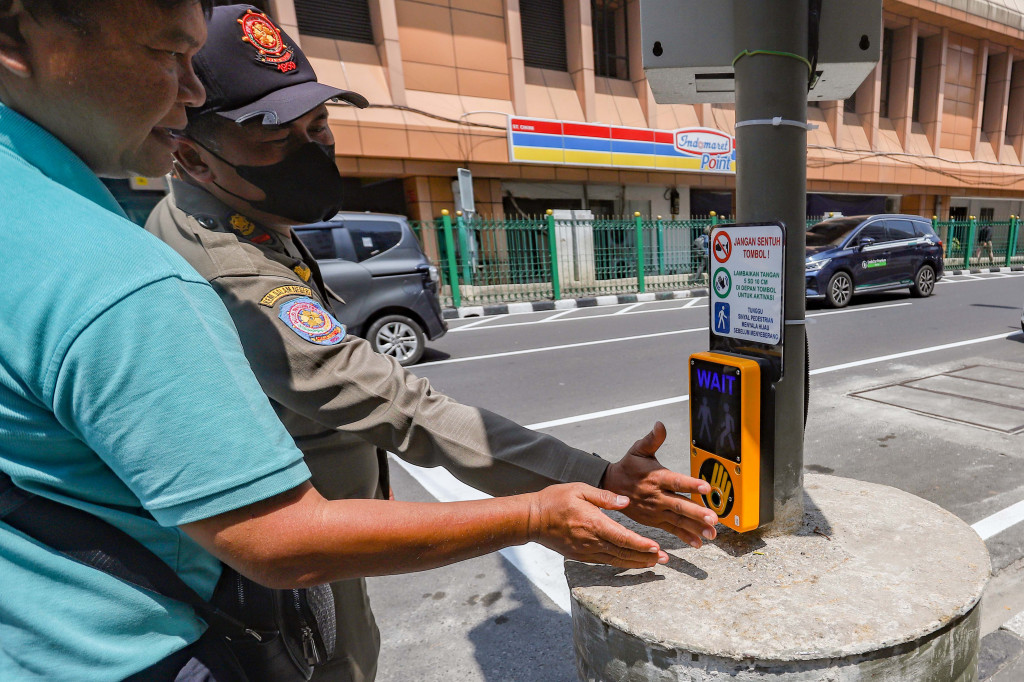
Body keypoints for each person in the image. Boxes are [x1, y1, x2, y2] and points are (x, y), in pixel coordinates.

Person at [0, 2, 716, 680]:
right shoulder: (189, 267)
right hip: (265, 581)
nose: (311, 151)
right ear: (194, 161)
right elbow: (382, 407)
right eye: (277, 138)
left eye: (318, 129)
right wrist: (569, 490)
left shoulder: (193, 215)